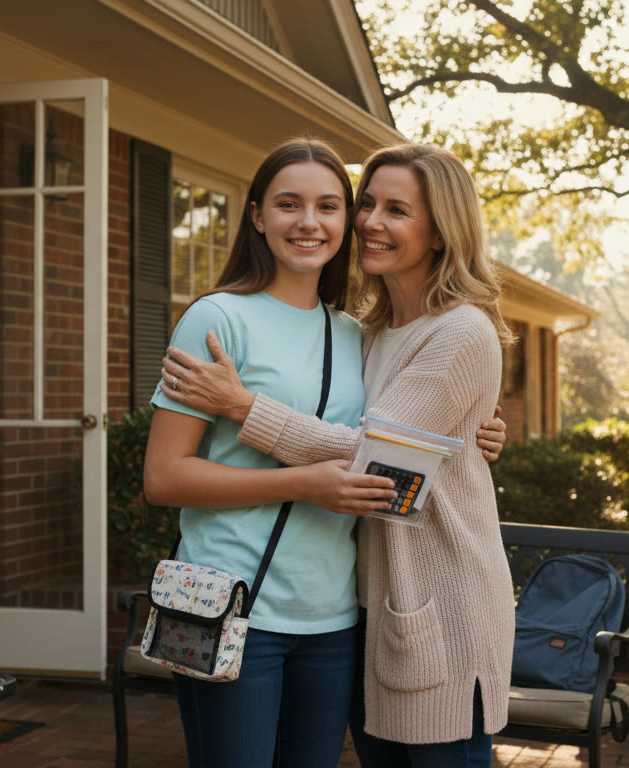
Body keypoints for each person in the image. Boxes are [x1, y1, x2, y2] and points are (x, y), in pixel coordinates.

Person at [141, 138, 506, 768]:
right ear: (256, 215)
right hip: (233, 600)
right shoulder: (228, 320)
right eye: (289, 203)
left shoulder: (364, 331)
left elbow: (387, 456)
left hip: (342, 616)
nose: (321, 222)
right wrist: (307, 481)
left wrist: (466, 446)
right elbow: (164, 476)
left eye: (333, 206)